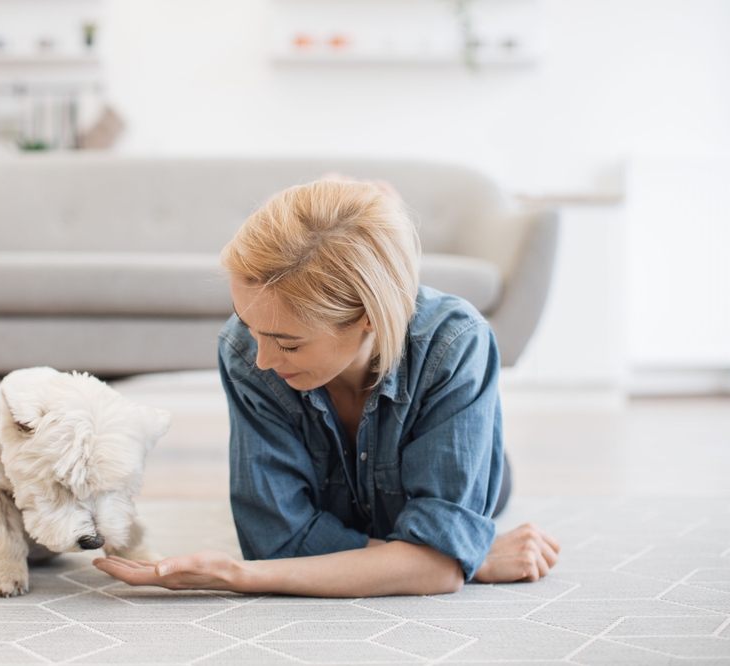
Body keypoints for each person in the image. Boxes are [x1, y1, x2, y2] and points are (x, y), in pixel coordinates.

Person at [94, 178, 560, 597]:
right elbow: (279, 542)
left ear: (368, 319)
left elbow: (437, 569)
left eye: (289, 345)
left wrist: (239, 576)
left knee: (468, 501)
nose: (261, 359)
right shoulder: (245, 350)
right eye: (250, 324)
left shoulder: (456, 343)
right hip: (372, 502)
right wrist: (444, 556)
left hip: (461, 468)